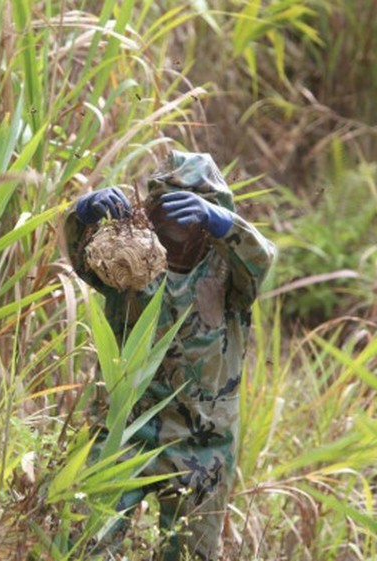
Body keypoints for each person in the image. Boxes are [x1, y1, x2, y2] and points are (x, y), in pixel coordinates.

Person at [64, 150, 276, 560]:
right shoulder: (132, 258)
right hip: (123, 431)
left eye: (193, 207)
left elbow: (262, 258)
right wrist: (84, 215)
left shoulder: (230, 271)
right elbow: (83, 260)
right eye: (171, 204)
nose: (179, 222)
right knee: (83, 543)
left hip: (202, 444)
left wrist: (224, 225)